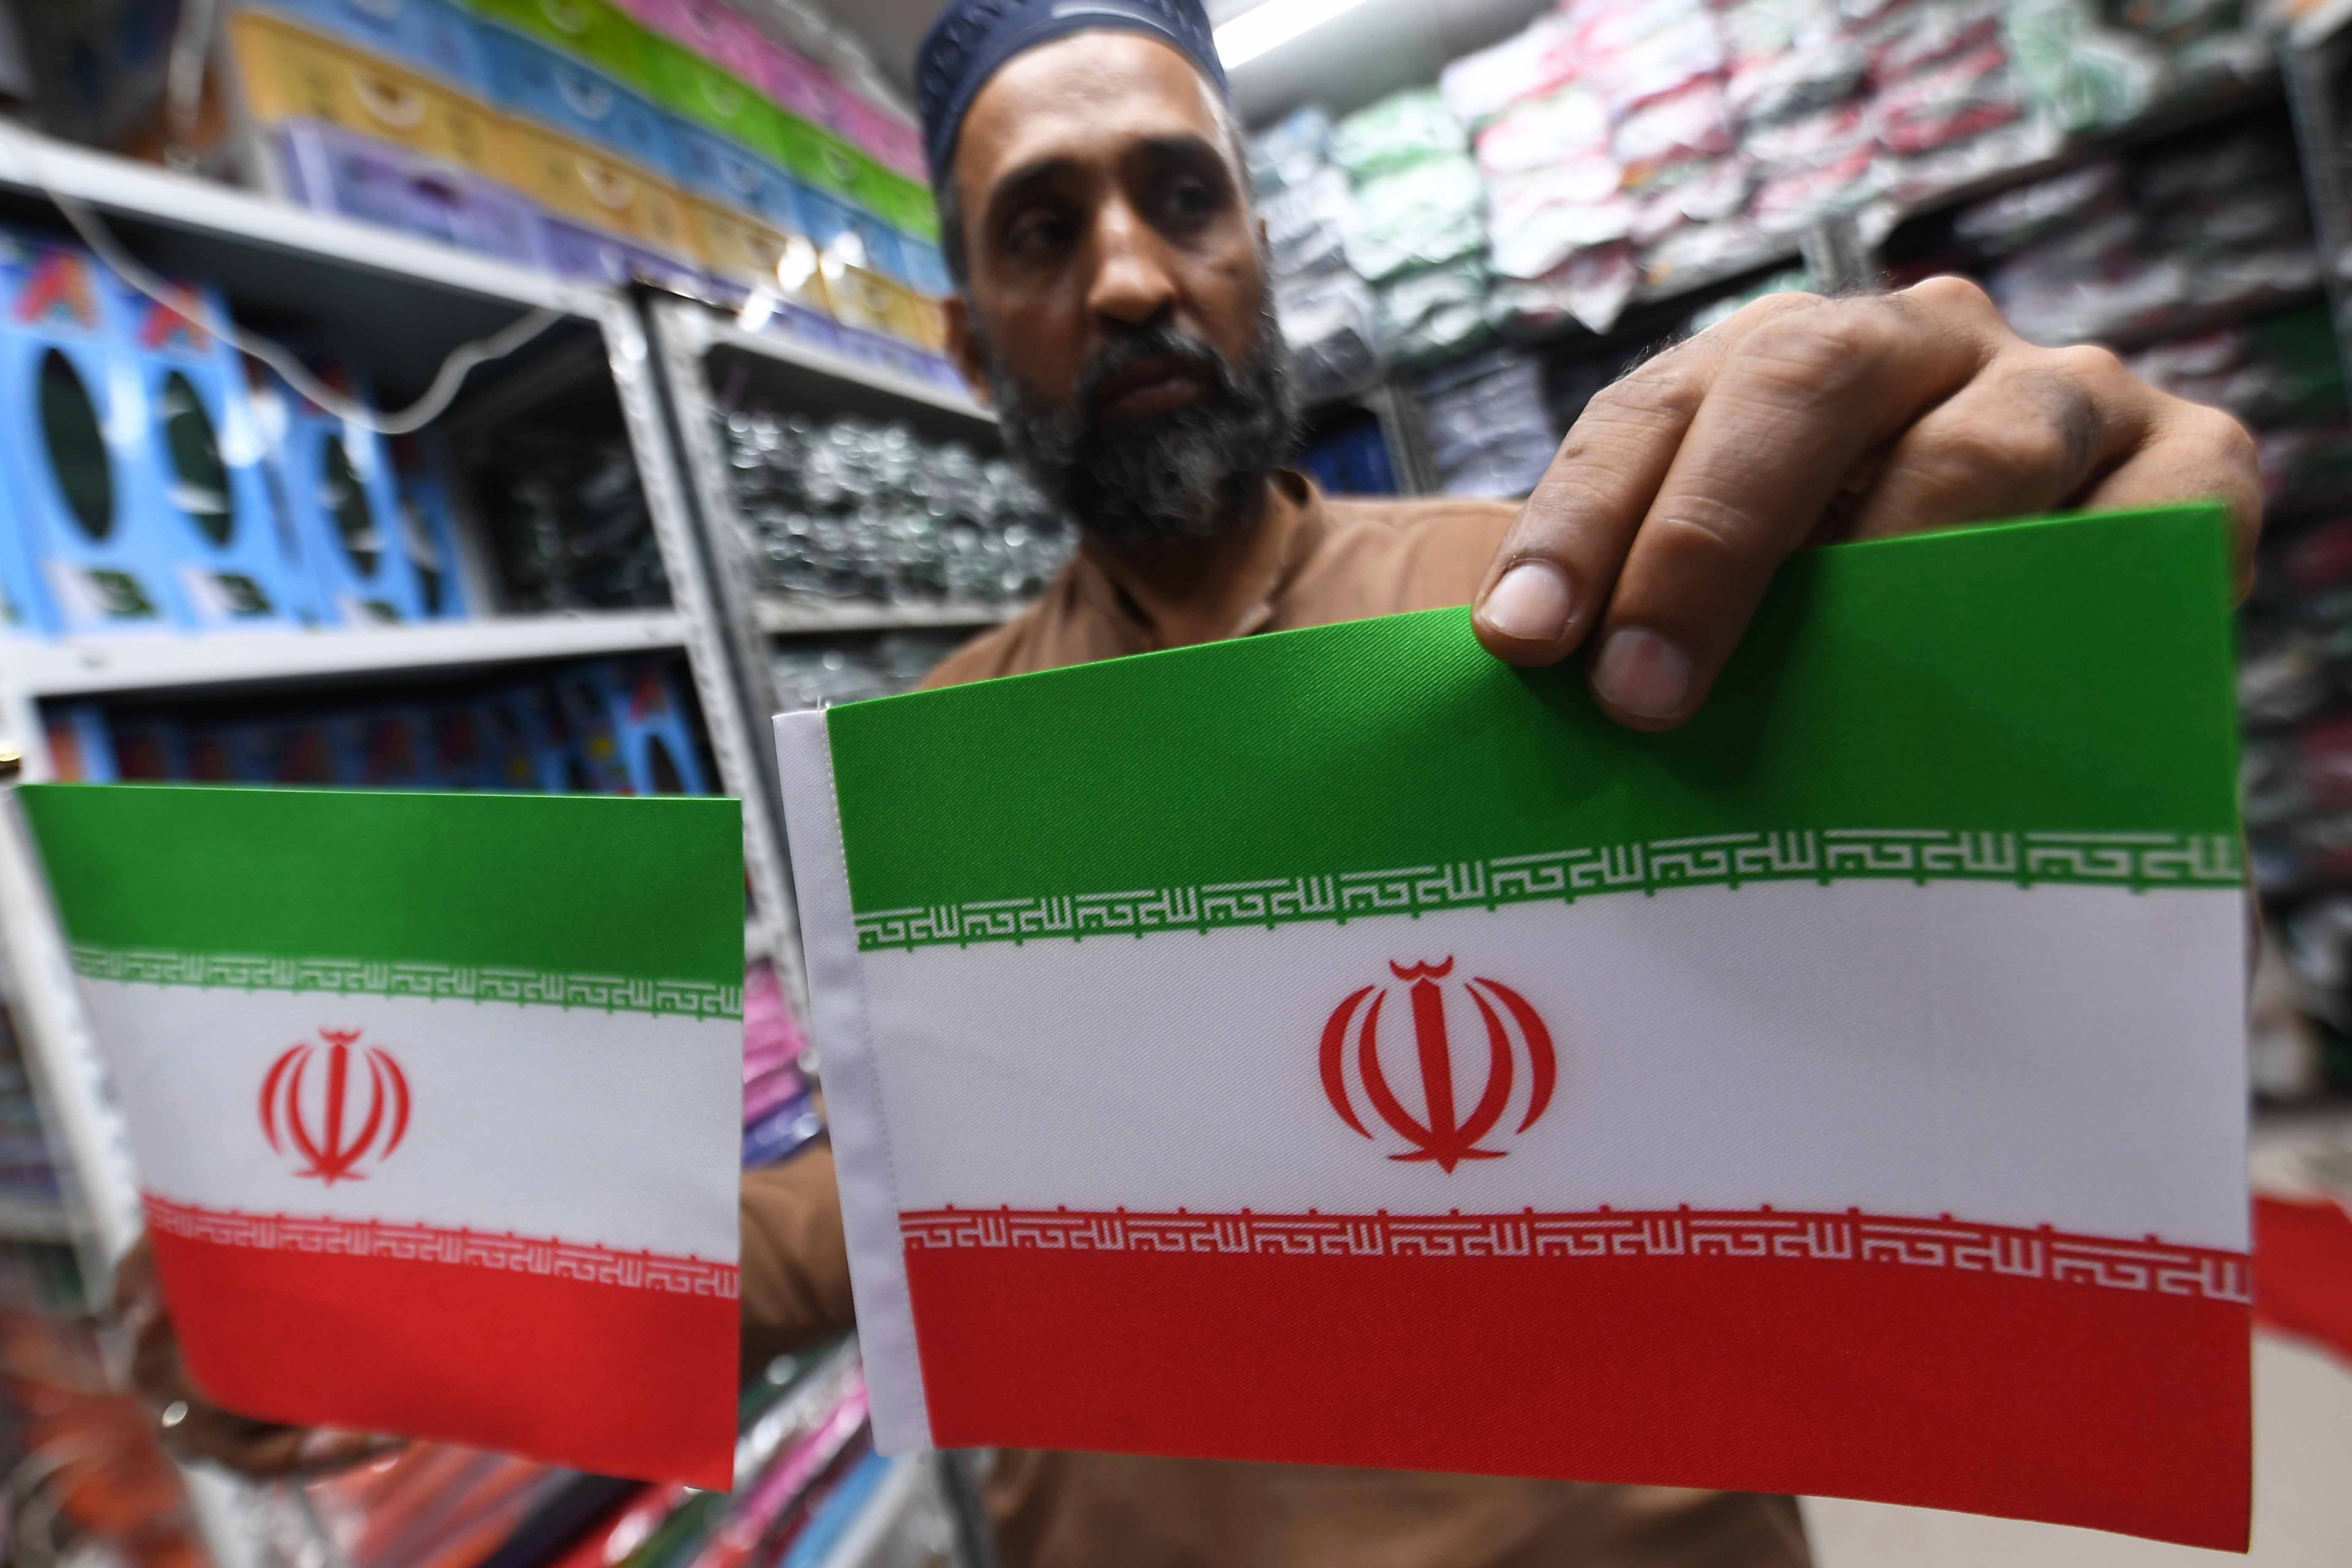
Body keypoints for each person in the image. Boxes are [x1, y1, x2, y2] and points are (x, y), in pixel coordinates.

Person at [123, 0, 2261, 1562]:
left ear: (1257, 256)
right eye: (1041, 232)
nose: (1129, 274)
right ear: (973, 342)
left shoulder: (1575, 631)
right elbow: (857, 1206)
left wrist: (2030, 592)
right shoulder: (940, 770)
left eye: (1179, 198)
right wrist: (395, 1299)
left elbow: (1926, 1005)